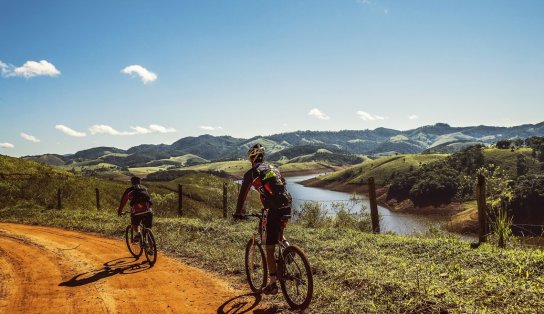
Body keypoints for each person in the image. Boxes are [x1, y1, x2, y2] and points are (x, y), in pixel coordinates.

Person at [234, 143, 292, 295]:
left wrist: (238, 212)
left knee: (269, 246)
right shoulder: (273, 168)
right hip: (287, 205)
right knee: (278, 233)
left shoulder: (252, 173)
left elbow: (242, 196)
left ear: (251, 158)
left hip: (271, 209)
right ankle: (289, 249)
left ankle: (272, 284)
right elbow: (283, 186)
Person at [117, 176, 153, 243]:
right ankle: (150, 246)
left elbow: (123, 202)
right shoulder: (144, 189)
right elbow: (149, 200)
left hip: (136, 212)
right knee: (148, 228)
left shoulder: (129, 190)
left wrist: (119, 211)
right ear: (140, 182)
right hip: (148, 211)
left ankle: (138, 234)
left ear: (132, 182)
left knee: (135, 225)